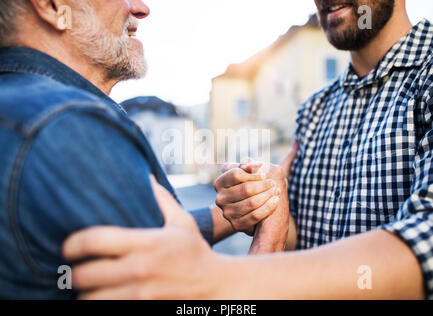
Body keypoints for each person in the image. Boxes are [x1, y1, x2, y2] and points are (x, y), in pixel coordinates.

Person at [64, 0, 433, 299]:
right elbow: (300, 238)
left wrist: (224, 280)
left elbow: (426, 238)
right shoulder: (315, 109)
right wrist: (263, 202)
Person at [0, 0, 288, 299]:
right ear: (53, 6)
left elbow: (132, 241)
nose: (140, 8)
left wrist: (231, 212)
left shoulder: (21, 110)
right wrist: (272, 233)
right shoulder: (70, 127)